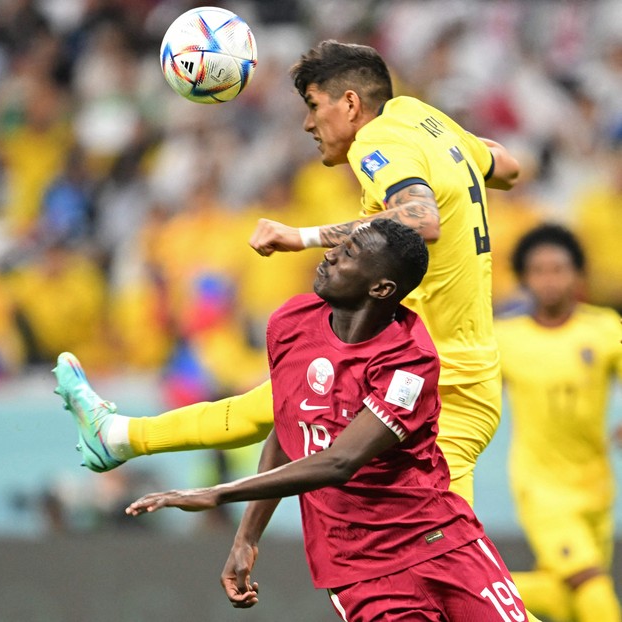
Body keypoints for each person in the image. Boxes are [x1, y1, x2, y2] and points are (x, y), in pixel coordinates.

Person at [55, 40, 521, 509]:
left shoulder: (377, 140)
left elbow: (420, 218)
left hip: (437, 380)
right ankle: (119, 436)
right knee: (278, 401)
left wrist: (302, 236)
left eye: (315, 106)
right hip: (443, 366)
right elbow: (507, 166)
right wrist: (455, 149)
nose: (308, 123)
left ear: (352, 104)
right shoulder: (423, 119)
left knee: (452, 556)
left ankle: (120, 437)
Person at [124, 219, 528, 620]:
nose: (330, 255)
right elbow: (288, 431)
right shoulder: (290, 324)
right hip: (357, 573)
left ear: (381, 288)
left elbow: (341, 461)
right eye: (340, 246)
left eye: (349, 253)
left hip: (437, 543)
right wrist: (246, 537)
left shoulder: (409, 361)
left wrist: (219, 493)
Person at [495, 224, 622, 622]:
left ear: (578, 274)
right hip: (541, 488)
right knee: (592, 586)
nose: (549, 279)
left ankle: (465, 590)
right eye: (539, 270)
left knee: (567, 598)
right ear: (523, 277)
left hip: (596, 485)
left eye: (559, 269)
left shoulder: (605, 327)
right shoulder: (505, 338)